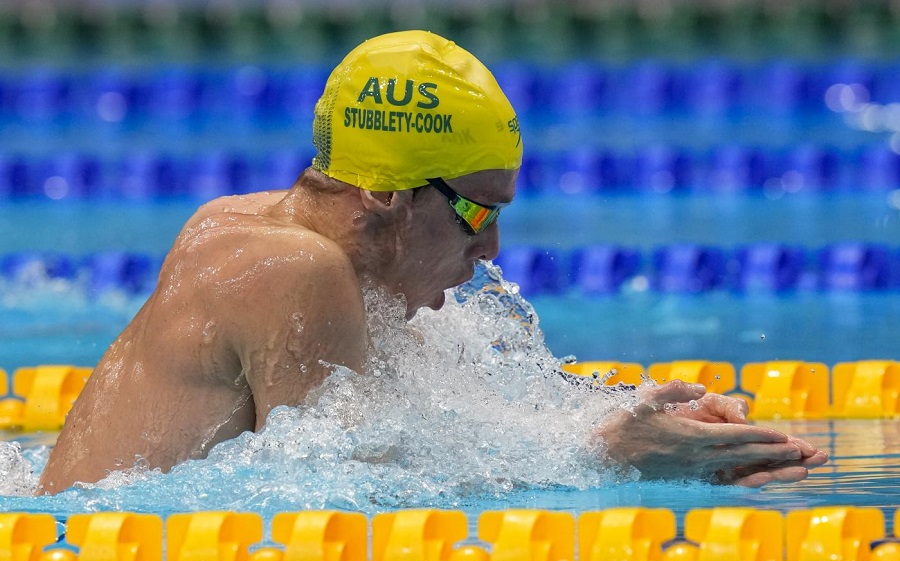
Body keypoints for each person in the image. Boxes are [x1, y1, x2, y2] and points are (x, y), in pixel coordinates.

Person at [37, 31, 826, 495]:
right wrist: (609, 462)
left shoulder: (288, 238)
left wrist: (623, 421)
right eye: (477, 213)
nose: (490, 250)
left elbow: (426, 429)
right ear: (387, 195)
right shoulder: (292, 270)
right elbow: (348, 491)